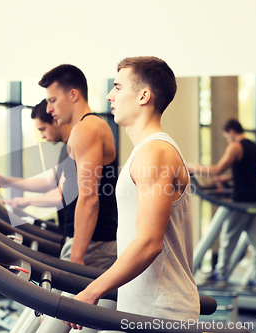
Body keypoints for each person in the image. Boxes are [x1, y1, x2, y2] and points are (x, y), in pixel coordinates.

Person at [65, 56, 199, 330]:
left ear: (144, 96)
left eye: (117, 87)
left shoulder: (155, 152)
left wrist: (92, 291)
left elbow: (149, 242)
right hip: (145, 305)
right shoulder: (146, 152)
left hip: (161, 309)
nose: (109, 95)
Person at [40, 64, 118, 269]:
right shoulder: (86, 128)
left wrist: (76, 258)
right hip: (90, 242)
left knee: (60, 302)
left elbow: (89, 198)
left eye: (53, 100)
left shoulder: (87, 129)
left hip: (92, 245)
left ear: (73, 95)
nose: (49, 109)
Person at [188, 119, 256, 292]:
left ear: (231, 131)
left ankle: (221, 275)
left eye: (226, 137)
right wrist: (226, 179)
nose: (227, 140)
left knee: (228, 238)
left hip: (241, 201)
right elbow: (248, 172)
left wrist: (193, 167)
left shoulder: (235, 147)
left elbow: (216, 169)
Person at [0, 99, 72, 229]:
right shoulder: (66, 148)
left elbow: (61, 194)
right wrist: (6, 181)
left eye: (43, 129)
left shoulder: (74, 146)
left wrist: (27, 201)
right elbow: (49, 182)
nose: (42, 136)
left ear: (55, 119)